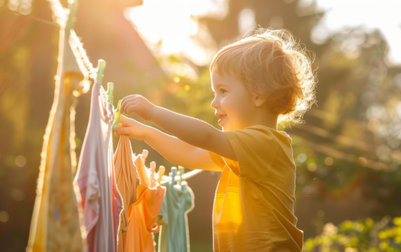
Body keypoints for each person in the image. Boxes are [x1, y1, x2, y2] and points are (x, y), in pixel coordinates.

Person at [115, 28, 317, 251]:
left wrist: (153, 113)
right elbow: (190, 153)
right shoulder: (240, 150)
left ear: (258, 94)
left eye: (223, 91)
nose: (214, 102)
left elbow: (206, 137)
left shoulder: (268, 144)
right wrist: (145, 132)